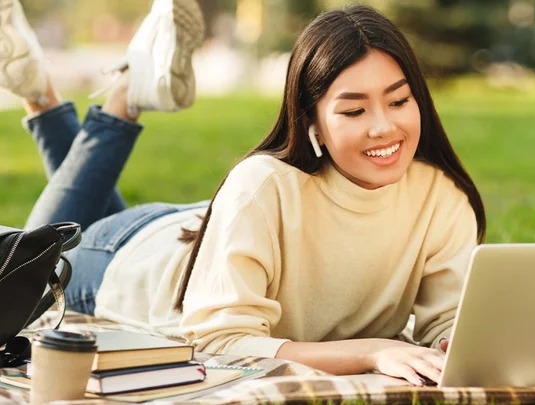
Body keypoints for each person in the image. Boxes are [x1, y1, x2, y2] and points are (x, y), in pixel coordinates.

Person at [3, 0, 486, 386]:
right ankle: (119, 94)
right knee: (15, 274)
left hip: (208, 229)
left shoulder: (440, 197)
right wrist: (371, 351)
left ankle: (43, 95)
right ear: (310, 119)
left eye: (399, 100)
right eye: (354, 111)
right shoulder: (263, 185)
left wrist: (452, 343)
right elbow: (221, 342)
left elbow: (447, 322)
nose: (384, 127)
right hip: (128, 260)